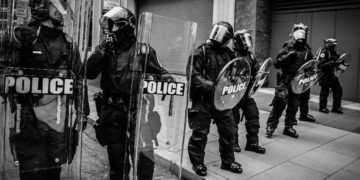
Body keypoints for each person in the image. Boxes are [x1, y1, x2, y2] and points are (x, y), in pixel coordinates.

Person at [0, 0, 88, 179]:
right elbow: (3, 72)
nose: (61, 12)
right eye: (56, 6)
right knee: (31, 171)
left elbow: (78, 80)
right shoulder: (23, 37)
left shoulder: (67, 43)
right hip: (28, 120)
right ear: (42, 6)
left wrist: (82, 111)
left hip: (57, 120)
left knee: (53, 172)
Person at [85, 7, 171, 180]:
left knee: (144, 157)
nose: (109, 31)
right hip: (112, 111)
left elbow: (161, 72)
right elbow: (88, 72)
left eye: (113, 26)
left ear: (126, 26)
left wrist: (167, 80)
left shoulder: (144, 51)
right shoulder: (106, 49)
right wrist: (101, 49)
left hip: (138, 111)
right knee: (116, 158)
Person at [187, 21, 243, 177]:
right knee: (199, 134)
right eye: (217, 32)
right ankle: (197, 163)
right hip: (203, 101)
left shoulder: (229, 54)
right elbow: (193, 76)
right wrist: (213, 86)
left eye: (223, 35)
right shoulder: (201, 52)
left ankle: (228, 161)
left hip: (223, 102)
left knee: (229, 132)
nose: (218, 37)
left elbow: (236, 73)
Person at [265, 23, 313, 138]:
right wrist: (286, 57)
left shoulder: (307, 51)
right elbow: (276, 63)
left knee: (294, 106)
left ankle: (288, 127)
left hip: (298, 83)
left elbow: (311, 67)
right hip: (285, 81)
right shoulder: (287, 47)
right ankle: (271, 126)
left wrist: (307, 75)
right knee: (279, 104)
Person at [231, 29, 265, 154]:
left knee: (253, 115)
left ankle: (252, 143)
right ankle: (233, 143)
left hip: (246, 93)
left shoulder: (250, 55)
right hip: (233, 93)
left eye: (247, 39)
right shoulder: (231, 54)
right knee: (232, 119)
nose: (246, 43)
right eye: (243, 40)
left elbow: (256, 70)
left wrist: (258, 74)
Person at [319, 38, 344, 114]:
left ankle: (336, 107)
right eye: (332, 44)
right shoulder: (324, 52)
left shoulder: (335, 52)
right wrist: (333, 63)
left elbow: (339, 61)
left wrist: (342, 64)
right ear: (327, 43)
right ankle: (322, 107)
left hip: (333, 74)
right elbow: (321, 65)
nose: (334, 46)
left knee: (338, 90)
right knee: (325, 92)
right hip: (325, 74)